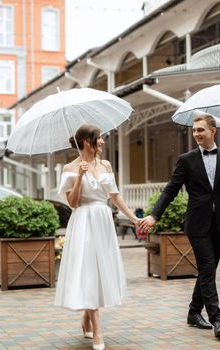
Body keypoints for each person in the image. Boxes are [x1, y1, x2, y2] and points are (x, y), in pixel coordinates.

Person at [139, 113, 220, 338]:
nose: (196, 134)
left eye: (200, 130)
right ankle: (217, 320)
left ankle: (193, 312)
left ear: (213, 130)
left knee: (209, 270)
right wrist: (154, 216)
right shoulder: (187, 160)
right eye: (194, 130)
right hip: (197, 225)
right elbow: (171, 189)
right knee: (207, 268)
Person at [54, 124, 139, 350]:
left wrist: (133, 218)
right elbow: (72, 203)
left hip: (103, 221)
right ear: (86, 142)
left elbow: (115, 196)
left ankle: (86, 316)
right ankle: (98, 331)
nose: (102, 142)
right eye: (98, 138)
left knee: (100, 271)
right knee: (88, 271)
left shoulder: (106, 165)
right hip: (83, 221)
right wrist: (80, 177)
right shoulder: (70, 169)